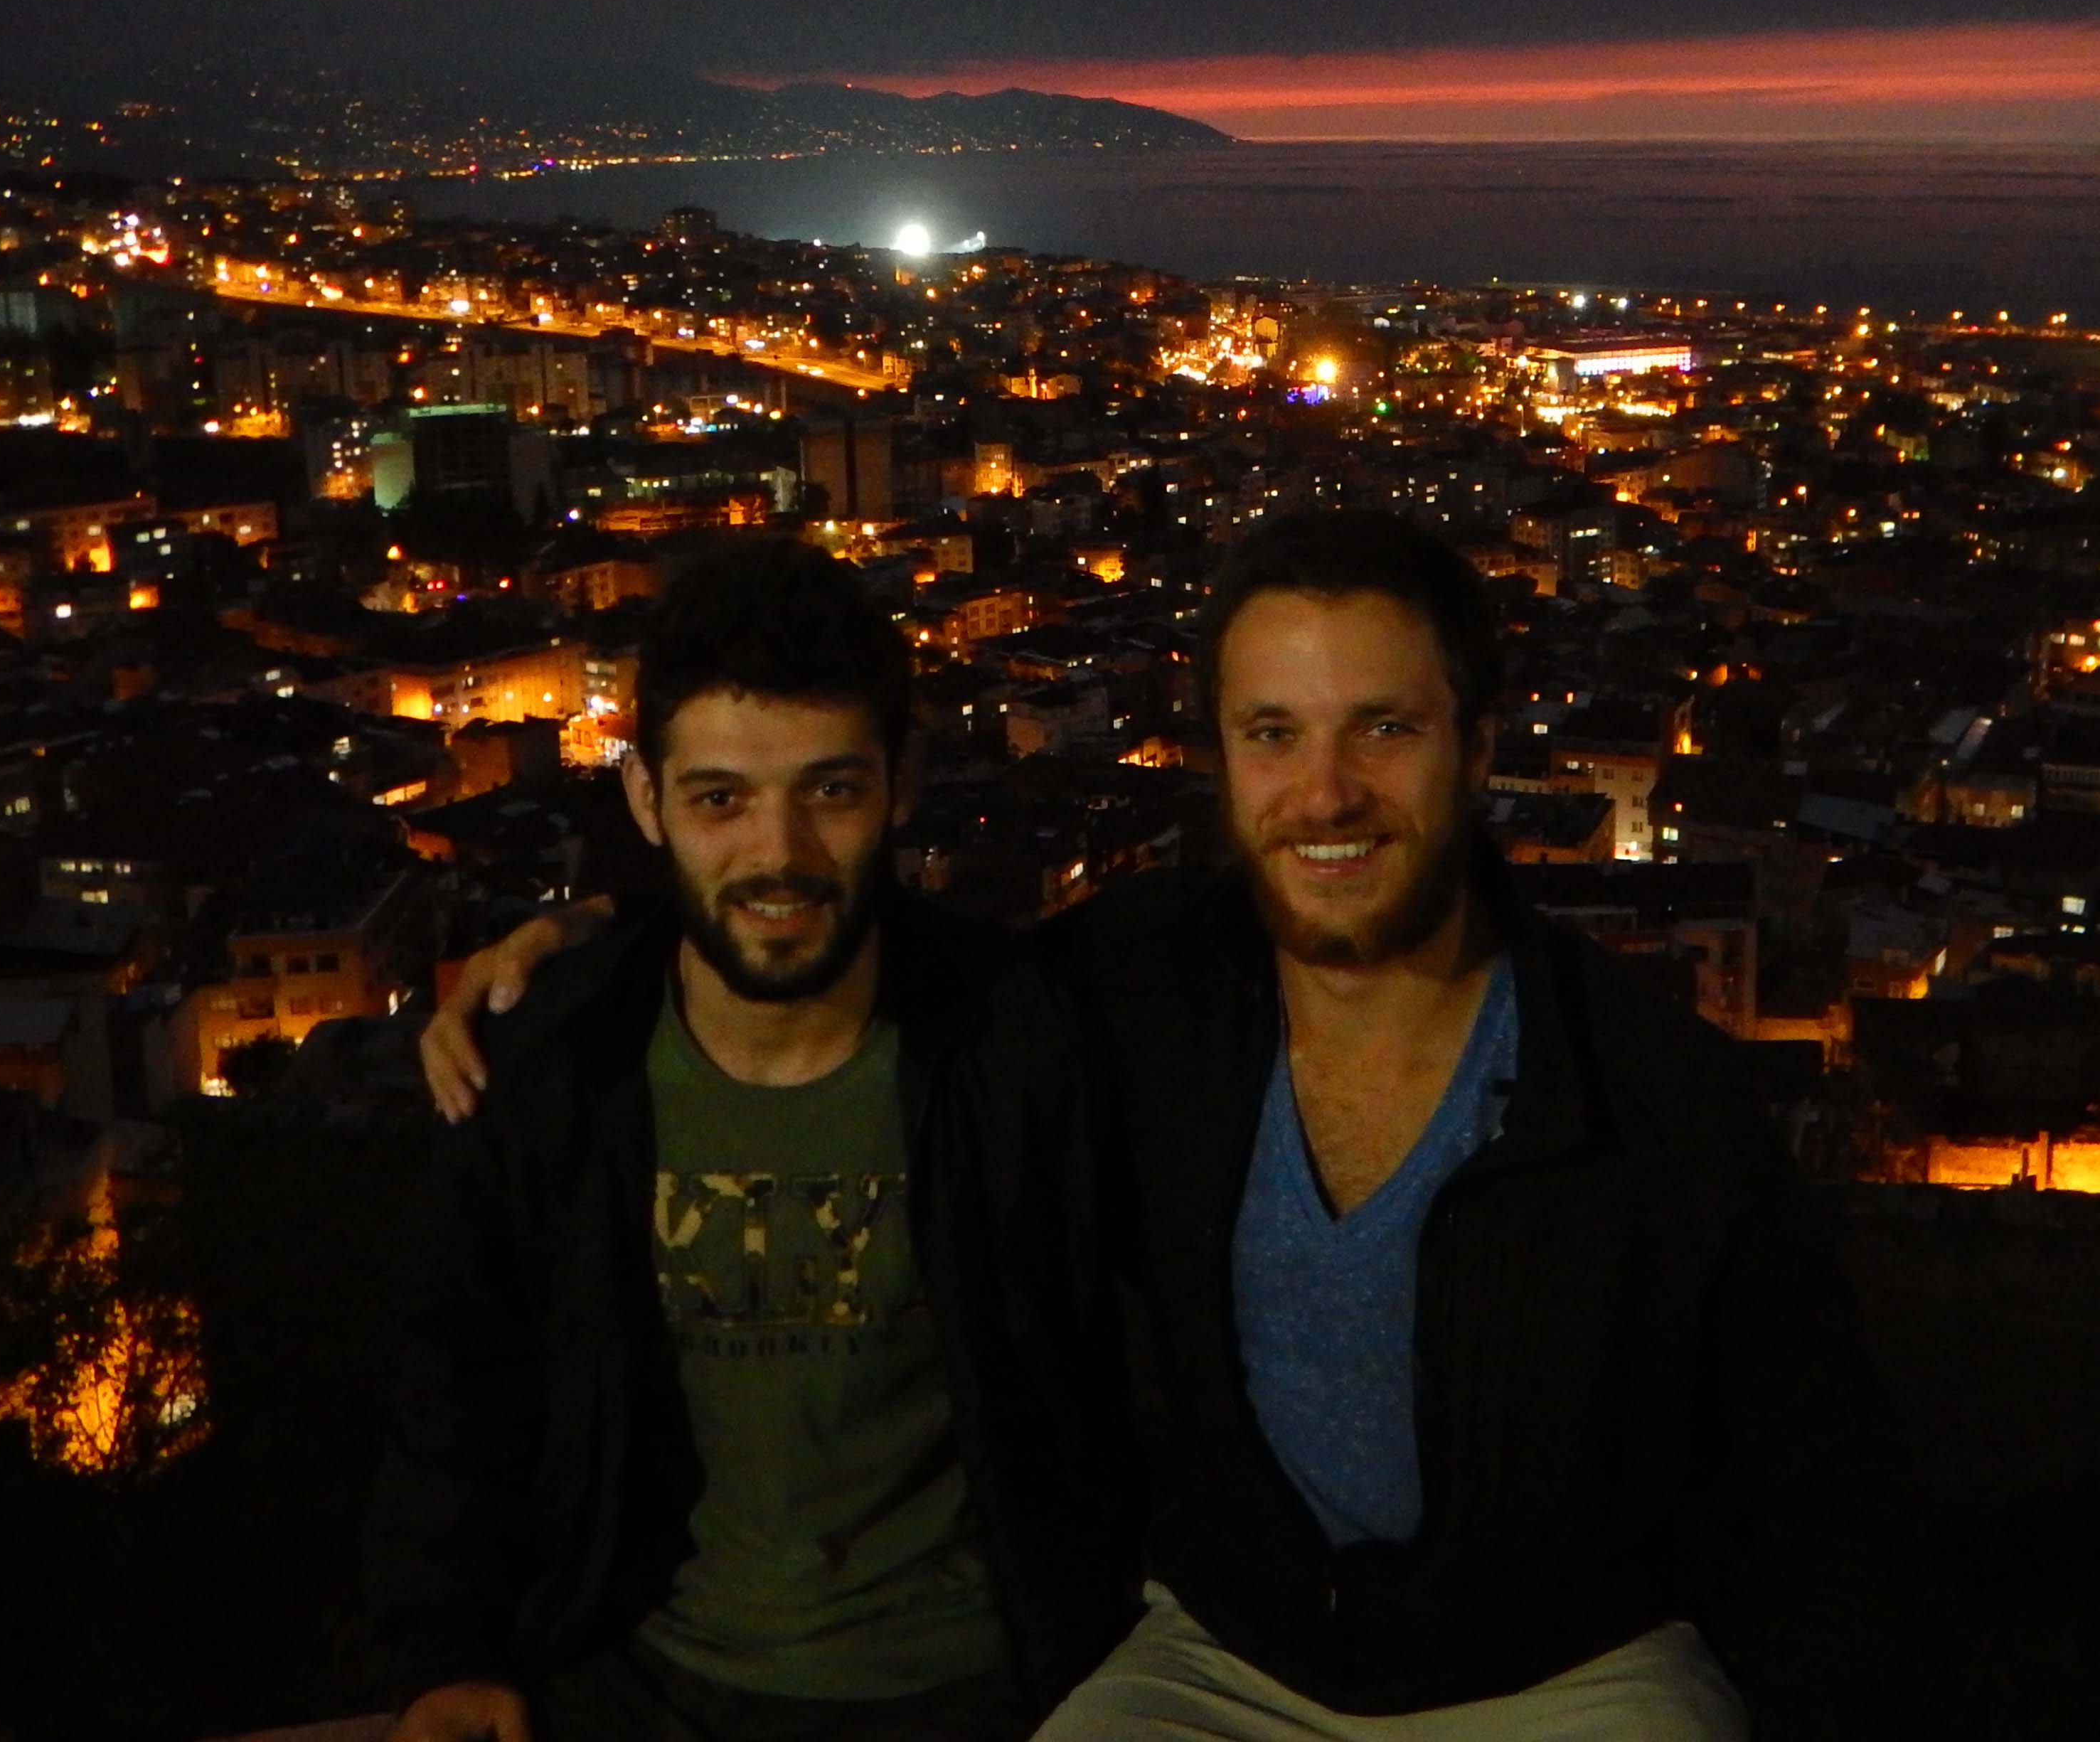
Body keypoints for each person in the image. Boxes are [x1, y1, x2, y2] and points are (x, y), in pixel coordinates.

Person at [431, 513, 1897, 1738]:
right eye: (1273, 734)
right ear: (1223, 757)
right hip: (1236, 1654)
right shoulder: (1136, 994)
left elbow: (1814, 1486)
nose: (1325, 793)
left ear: (1477, 747)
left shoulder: (1646, 1088)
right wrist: (589, 949)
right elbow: (817, 929)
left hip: (1567, 1668)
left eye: (1383, 729)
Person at [368, 537, 1140, 1742]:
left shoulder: (1024, 1047)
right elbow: (462, 1387)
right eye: (720, 800)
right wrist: (450, 1652)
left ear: (902, 783)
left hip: (979, 1690)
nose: (779, 855)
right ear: (646, 799)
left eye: (830, 791)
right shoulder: (556, 1068)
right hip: (644, 1681)